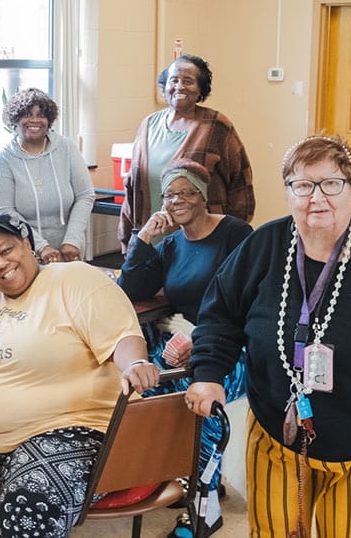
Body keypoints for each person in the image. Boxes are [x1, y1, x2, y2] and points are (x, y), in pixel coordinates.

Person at [186, 135, 351, 537]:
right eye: (303, 185)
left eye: (331, 183)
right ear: (288, 192)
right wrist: (209, 372)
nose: (317, 197)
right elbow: (221, 312)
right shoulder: (266, 244)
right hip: (275, 434)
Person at [0, 214, 161, 537]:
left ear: (27, 245)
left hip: (77, 432)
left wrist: (135, 364)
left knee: (28, 504)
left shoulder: (74, 279)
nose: (1, 264)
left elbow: (121, 337)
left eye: (7, 250)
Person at [117, 159, 251, 536]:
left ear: (203, 195)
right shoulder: (172, 244)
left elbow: (249, 299)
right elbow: (132, 289)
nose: (175, 200)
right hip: (186, 341)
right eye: (169, 194)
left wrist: (202, 337)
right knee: (149, 383)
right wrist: (143, 238)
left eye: (185, 192)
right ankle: (191, 474)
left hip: (231, 345)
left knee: (197, 397)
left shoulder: (234, 234)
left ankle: (203, 508)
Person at [118, 55, 255, 251]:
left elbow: (240, 185)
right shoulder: (148, 125)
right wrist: (128, 237)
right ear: (165, 86)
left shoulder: (216, 126)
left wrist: (231, 237)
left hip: (203, 247)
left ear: (201, 89)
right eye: (174, 80)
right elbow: (132, 186)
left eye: (188, 81)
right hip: (150, 241)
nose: (180, 87)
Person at [0, 88, 95, 263]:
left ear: (49, 120)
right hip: (25, 250)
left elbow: (85, 196)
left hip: (69, 249)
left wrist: (72, 241)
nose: (35, 120)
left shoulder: (66, 148)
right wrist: (41, 246)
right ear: (15, 120)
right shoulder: (2, 157)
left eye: (41, 115)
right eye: (27, 115)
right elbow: (4, 211)